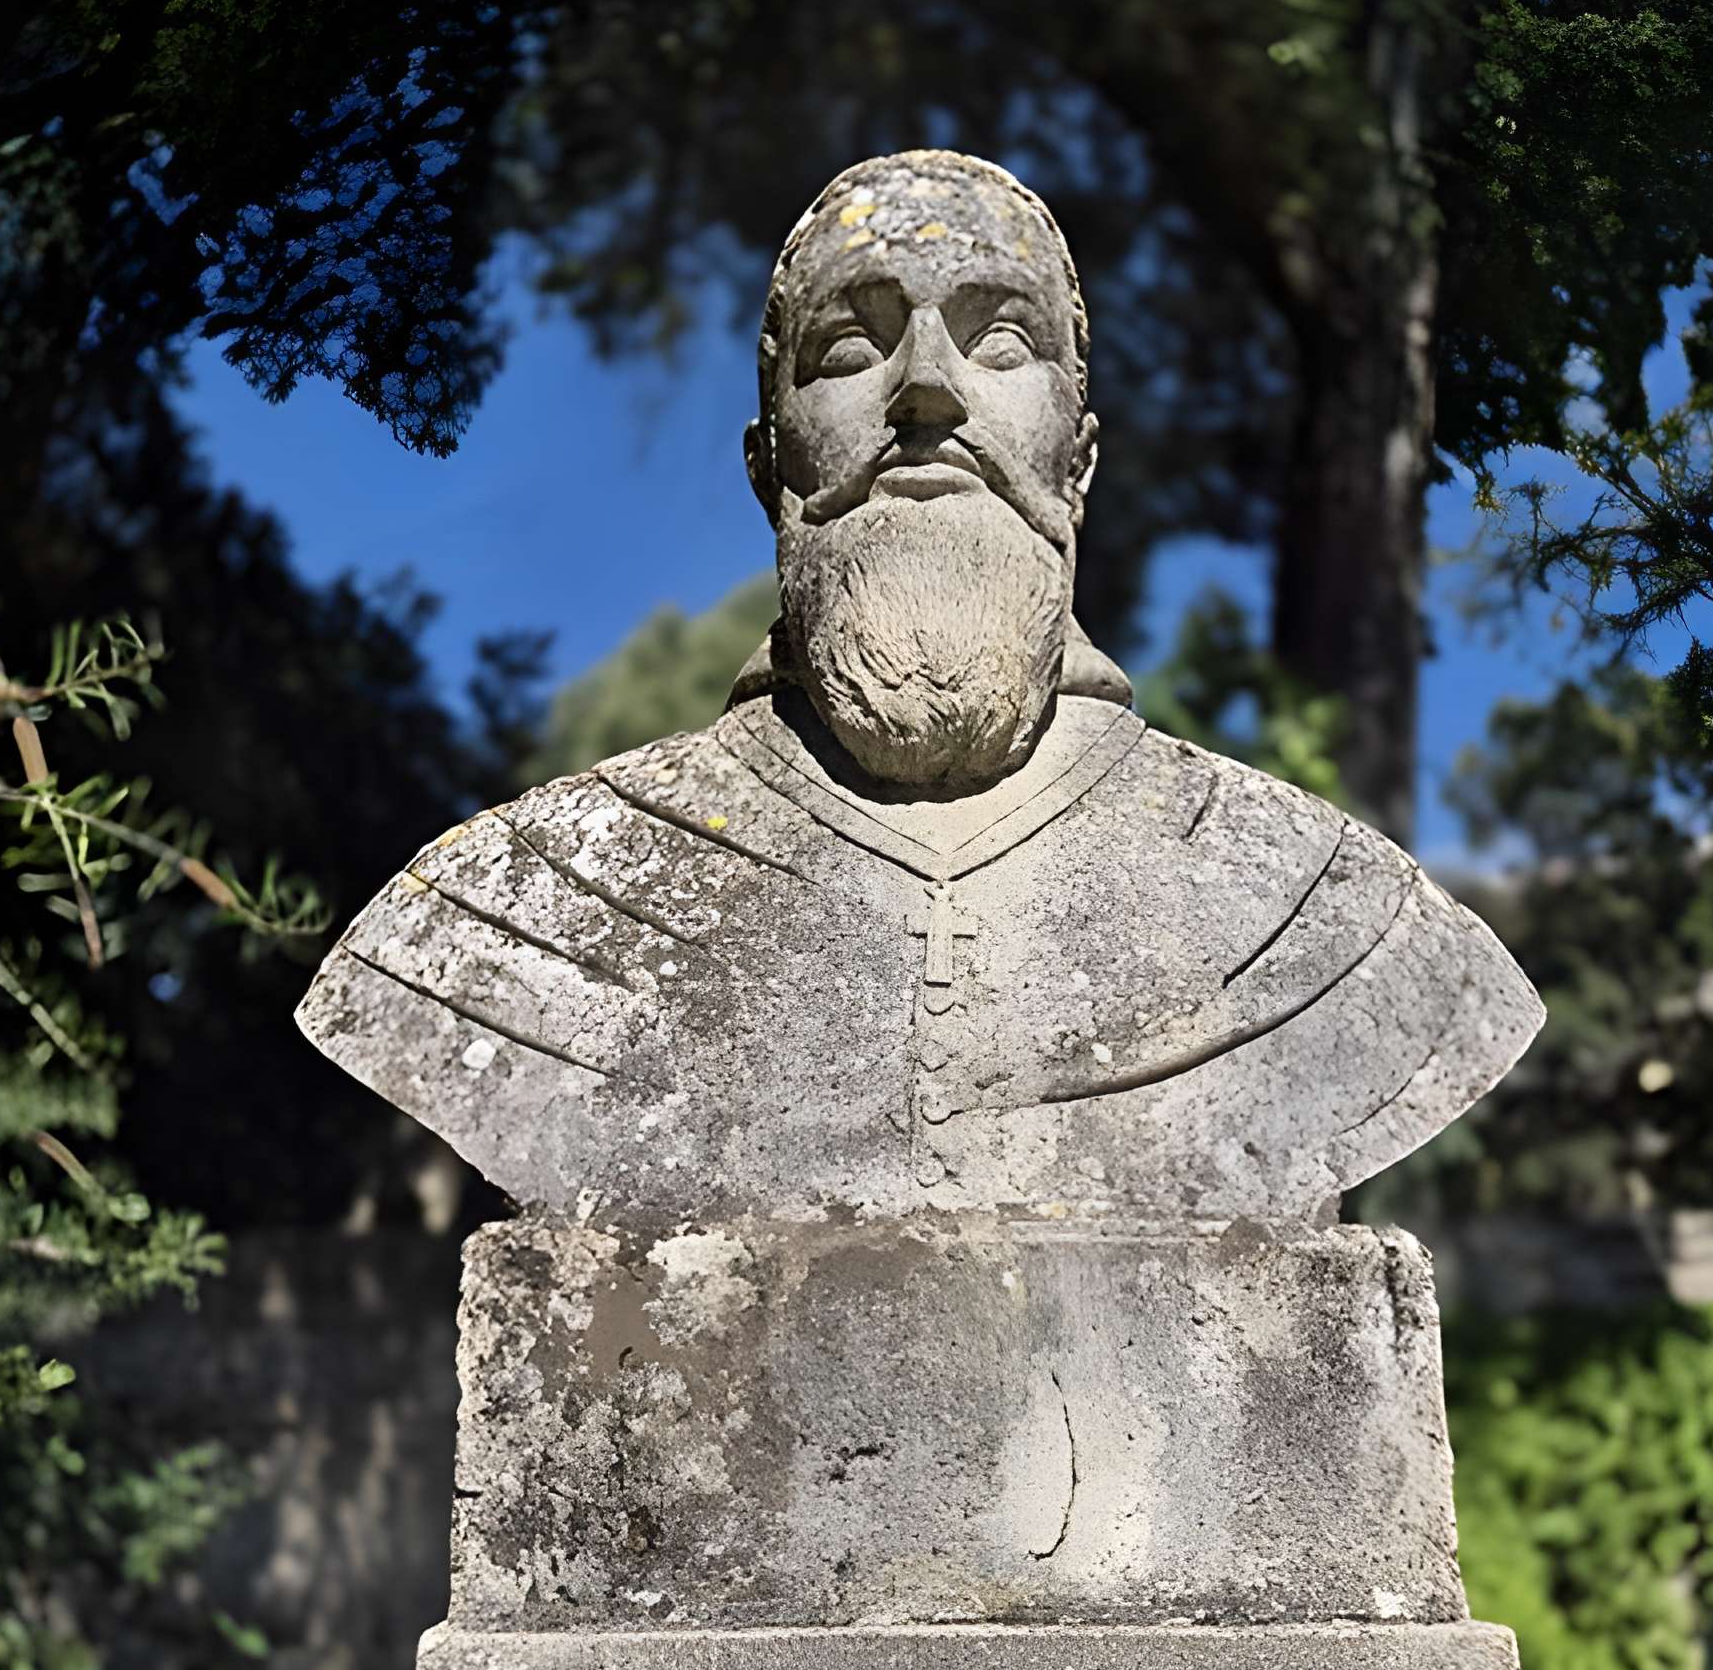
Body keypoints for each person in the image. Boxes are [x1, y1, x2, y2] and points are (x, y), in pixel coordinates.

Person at [298, 150, 1539, 1229]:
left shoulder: (1339, 925)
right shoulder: (513, 921)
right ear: (768, 461)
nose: (928, 392)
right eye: (853, 344)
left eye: (1001, 337)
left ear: (1080, 456)